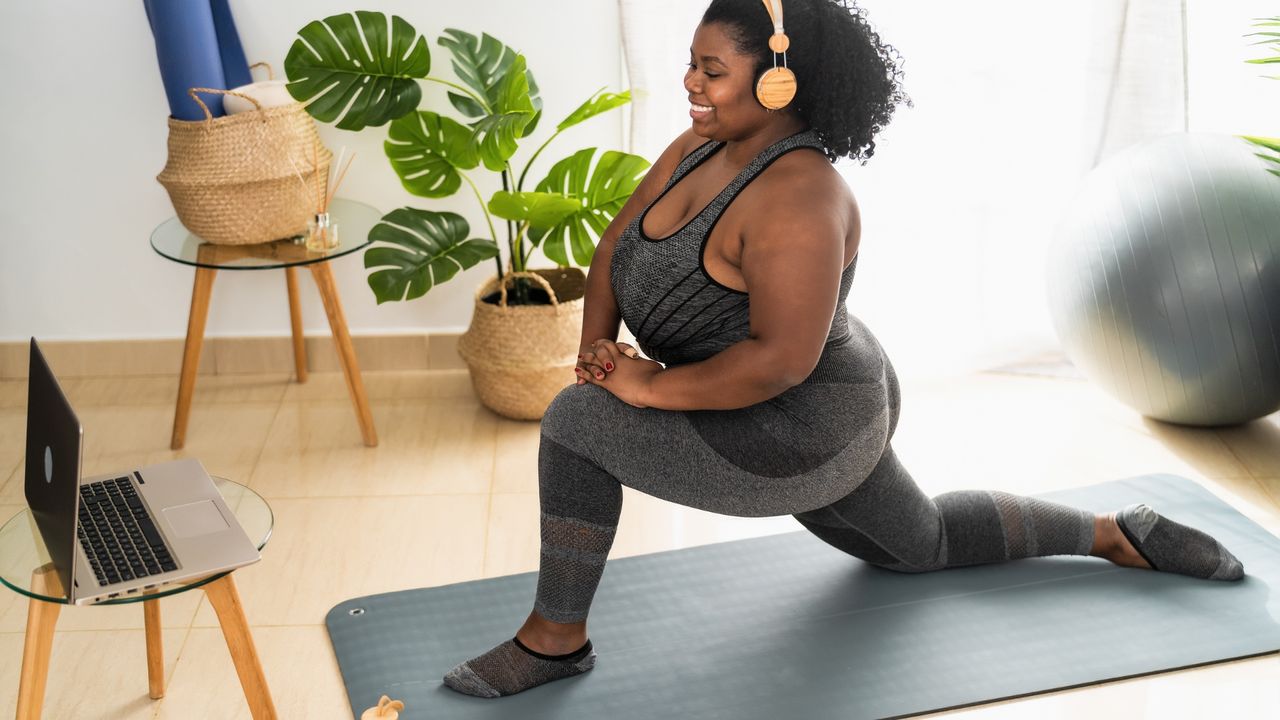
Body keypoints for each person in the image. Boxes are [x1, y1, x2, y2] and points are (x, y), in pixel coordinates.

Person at [442, 0, 1245, 699]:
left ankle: (555, 641)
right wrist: (598, 351)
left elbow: (778, 362)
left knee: (577, 424)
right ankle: (1116, 532)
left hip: (802, 426)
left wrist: (642, 389)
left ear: (778, 80)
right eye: (690, 64)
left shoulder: (800, 195)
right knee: (919, 544)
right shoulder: (698, 148)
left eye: (711, 70)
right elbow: (616, 242)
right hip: (775, 398)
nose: (691, 83)